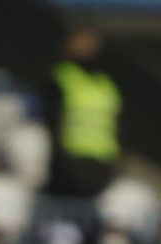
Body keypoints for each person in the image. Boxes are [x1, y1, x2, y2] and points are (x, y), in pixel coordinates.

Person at [45, 28, 122, 199]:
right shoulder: (61, 78)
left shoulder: (106, 83)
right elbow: (52, 120)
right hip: (69, 163)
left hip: (102, 162)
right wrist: (61, 161)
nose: (86, 49)